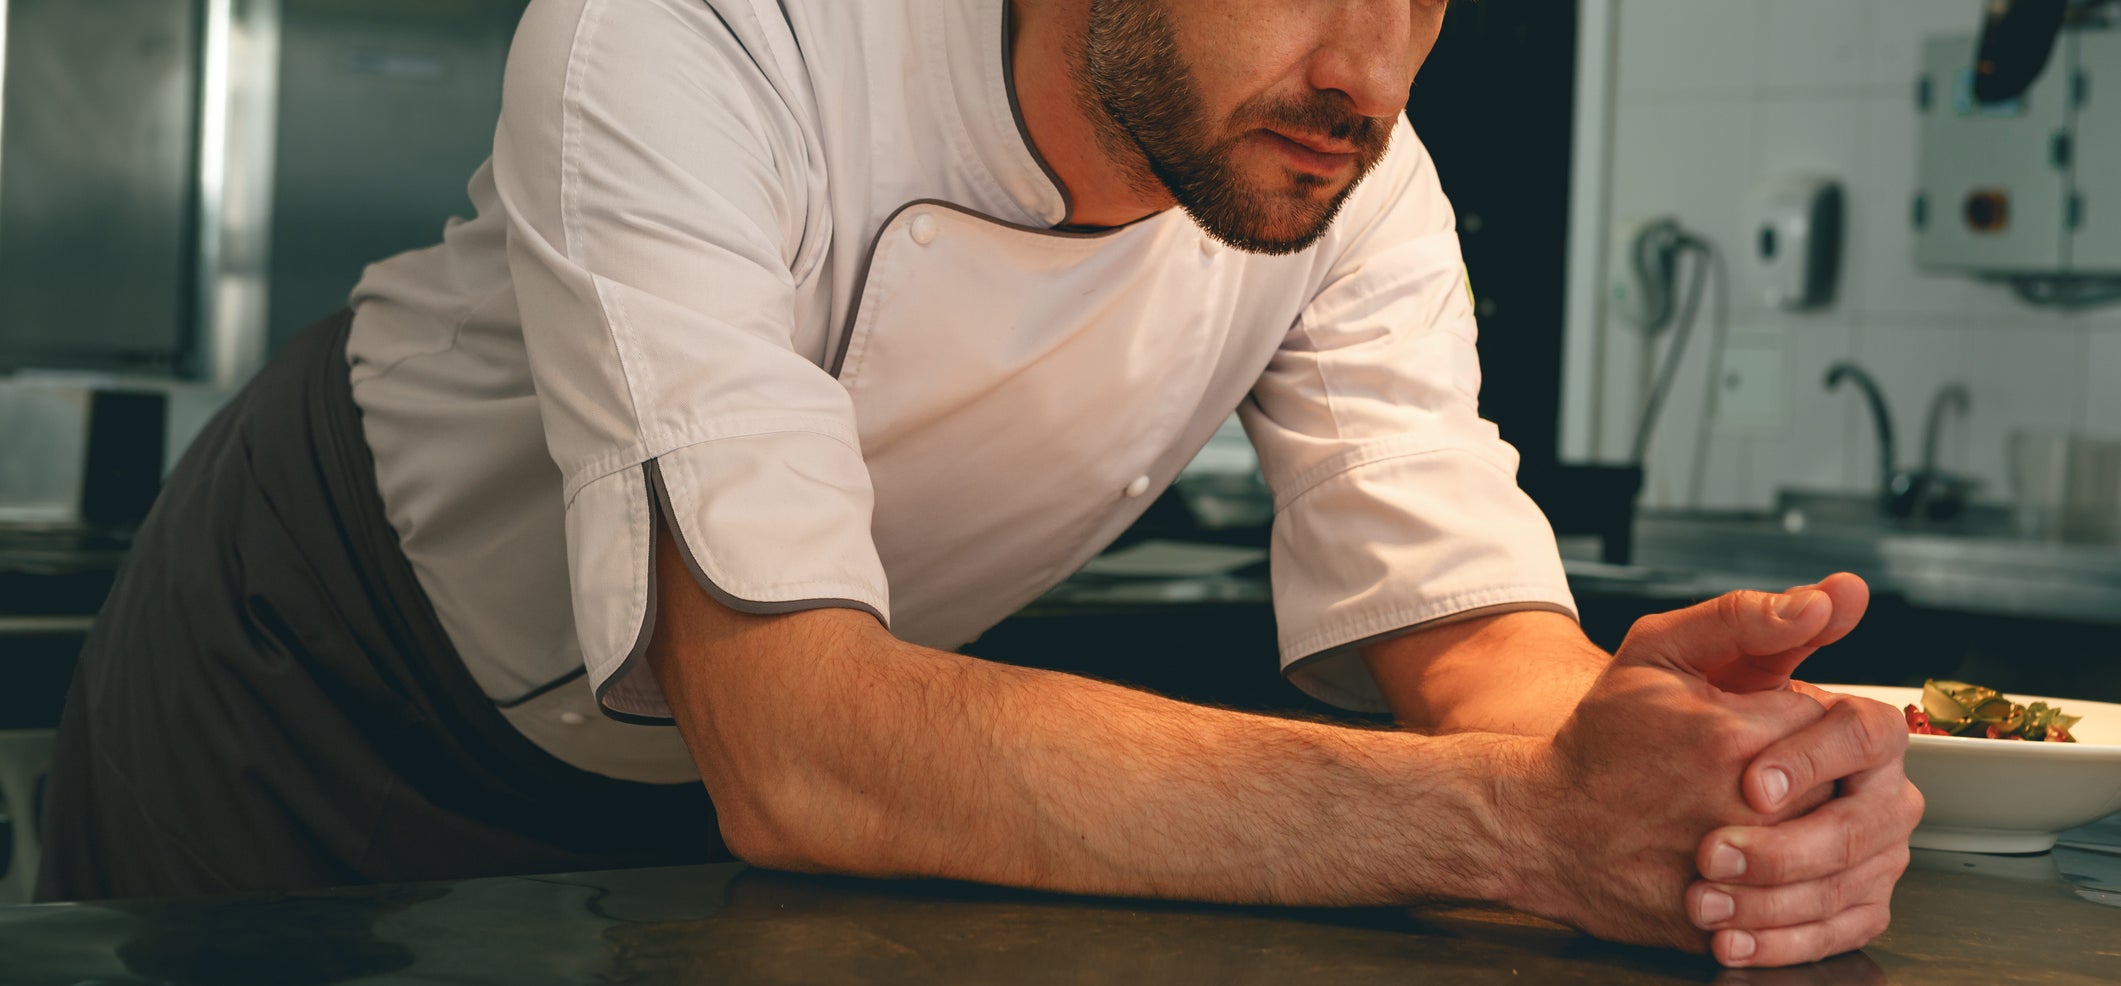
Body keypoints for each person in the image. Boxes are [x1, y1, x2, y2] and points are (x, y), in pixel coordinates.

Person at [37, 0, 1921, 969]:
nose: (1369, 65)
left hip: (699, 790)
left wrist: (1693, 778)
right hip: (310, 670)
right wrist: (1519, 831)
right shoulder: (709, 37)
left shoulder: (1349, 173)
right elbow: (802, 737)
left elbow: (1470, 636)